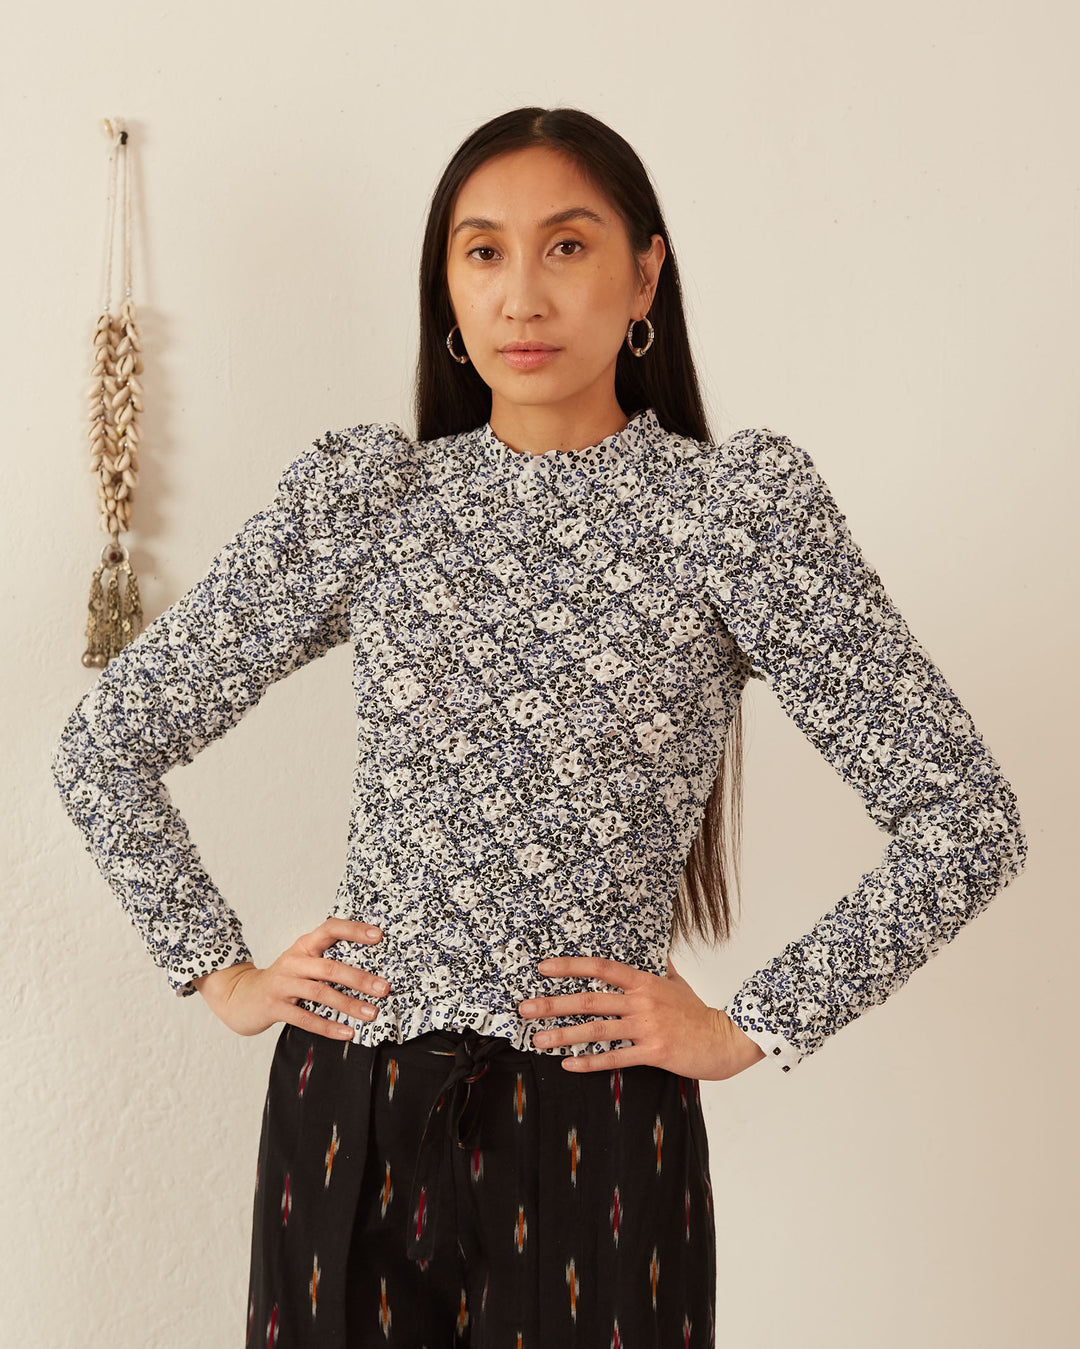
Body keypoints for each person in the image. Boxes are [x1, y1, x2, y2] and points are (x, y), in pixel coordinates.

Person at [52, 106, 1026, 1349]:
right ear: (446, 287)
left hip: (600, 1122)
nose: (522, 294)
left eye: (566, 247)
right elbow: (106, 741)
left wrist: (749, 1023)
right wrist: (222, 972)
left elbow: (966, 818)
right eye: (482, 252)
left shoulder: (733, 515)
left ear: (644, 276)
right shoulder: (374, 499)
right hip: (348, 1105)